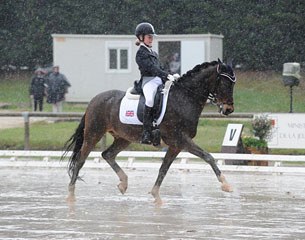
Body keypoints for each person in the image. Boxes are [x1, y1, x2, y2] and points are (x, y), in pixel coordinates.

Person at [135, 22, 176, 144]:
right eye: (149, 36)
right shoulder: (141, 53)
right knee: (150, 100)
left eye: (152, 36)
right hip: (148, 81)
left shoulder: (153, 53)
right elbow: (152, 69)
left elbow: (160, 68)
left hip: (158, 80)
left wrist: (171, 75)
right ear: (141, 37)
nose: (151, 39)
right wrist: (165, 75)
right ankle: (146, 132)